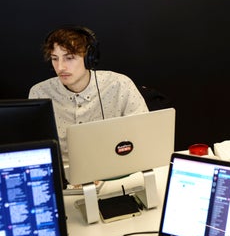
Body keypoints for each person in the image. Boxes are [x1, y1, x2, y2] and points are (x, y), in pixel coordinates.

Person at [28, 26, 148, 184]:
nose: (60, 67)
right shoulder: (39, 93)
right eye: (55, 58)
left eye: (69, 58)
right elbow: (35, 152)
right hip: (64, 181)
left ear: (89, 58)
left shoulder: (120, 85)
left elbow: (145, 137)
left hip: (115, 177)